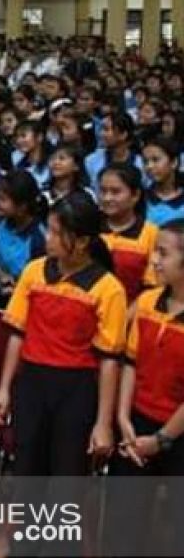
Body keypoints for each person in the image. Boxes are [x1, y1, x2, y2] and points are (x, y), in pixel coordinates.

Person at [0, 193, 125, 555]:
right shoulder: (35, 272)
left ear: (81, 241)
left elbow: (110, 359)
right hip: (32, 384)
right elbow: (17, 334)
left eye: (54, 232)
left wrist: (103, 423)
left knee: (67, 481)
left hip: (76, 391)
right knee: (27, 474)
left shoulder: (108, 288)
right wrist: (4, 388)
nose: (46, 237)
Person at [106, 222, 184, 557]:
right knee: (123, 522)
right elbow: (131, 363)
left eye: (164, 253)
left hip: (175, 432)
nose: (154, 260)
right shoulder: (148, 301)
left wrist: (162, 439)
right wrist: (123, 418)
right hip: (136, 423)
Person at [98, 162, 158, 303]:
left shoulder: (151, 233)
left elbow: (151, 288)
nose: (107, 198)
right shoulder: (89, 227)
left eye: (115, 192)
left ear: (135, 195)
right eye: (103, 191)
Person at [0, 170, 47, 290]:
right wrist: (0, 274)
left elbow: (39, 280)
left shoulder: (39, 238)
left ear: (22, 206)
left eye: (3, 199)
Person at [142, 135, 184, 226]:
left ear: (174, 162)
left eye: (155, 160)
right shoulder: (141, 198)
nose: (149, 166)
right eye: (145, 161)